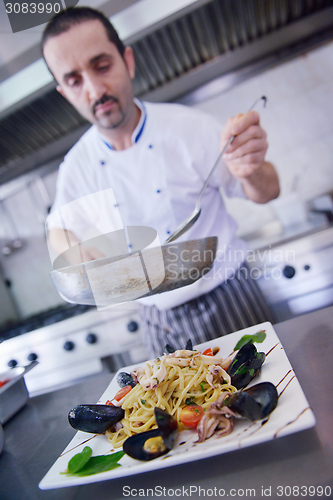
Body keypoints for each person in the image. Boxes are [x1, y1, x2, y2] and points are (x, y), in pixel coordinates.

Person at [42, 7, 280, 357]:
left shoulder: (190, 128)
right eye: (75, 80)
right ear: (64, 91)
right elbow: (60, 232)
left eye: (102, 65)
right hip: (157, 320)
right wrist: (71, 249)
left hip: (231, 299)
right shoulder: (76, 167)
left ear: (128, 61)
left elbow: (268, 190)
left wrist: (251, 168)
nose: (95, 90)